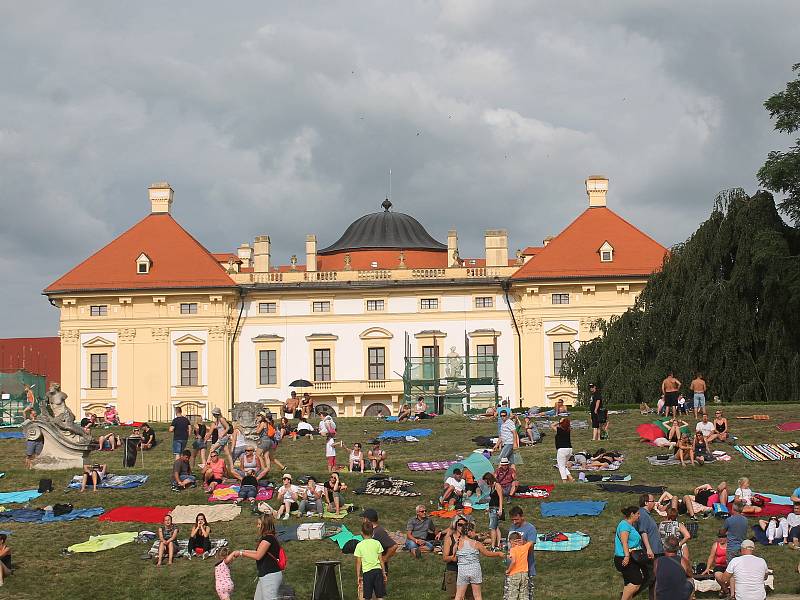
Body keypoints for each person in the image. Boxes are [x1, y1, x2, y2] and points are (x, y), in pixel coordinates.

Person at [227, 514, 284, 599]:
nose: (257, 526)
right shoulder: (267, 538)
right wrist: (242, 551)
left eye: (259, 524)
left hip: (270, 576)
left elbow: (258, 556)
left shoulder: (268, 539)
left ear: (265, 526)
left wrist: (241, 553)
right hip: (265, 575)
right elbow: (258, 552)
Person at [445, 519, 503, 600]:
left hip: (462, 571)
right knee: (477, 596)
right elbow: (487, 553)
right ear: (469, 532)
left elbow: (454, 558)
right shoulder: (476, 544)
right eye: (474, 531)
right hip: (475, 570)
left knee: (459, 596)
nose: (475, 533)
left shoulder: (457, 543)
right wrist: (498, 553)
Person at [614, 506, 646, 600]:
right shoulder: (624, 525)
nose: (639, 516)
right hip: (624, 558)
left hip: (631, 558)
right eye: (638, 514)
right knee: (636, 582)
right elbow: (624, 542)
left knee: (629, 583)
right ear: (632, 514)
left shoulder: (629, 525)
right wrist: (627, 556)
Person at [637, 493, 664, 600]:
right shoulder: (643, 515)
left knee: (655, 578)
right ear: (646, 502)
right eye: (653, 501)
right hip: (652, 551)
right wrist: (648, 549)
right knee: (651, 577)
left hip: (656, 550)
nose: (655, 503)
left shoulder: (647, 514)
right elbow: (643, 532)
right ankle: (629, 594)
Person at [442, 514, 476, 600]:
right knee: (455, 597)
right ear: (456, 525)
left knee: (470, 597)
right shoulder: (449, 538)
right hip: (453, 571)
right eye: (459, 525)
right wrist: (454, 558)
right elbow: (445, 558)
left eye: (464, 525)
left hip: (467, 571)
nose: (461, 527)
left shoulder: (469, 539)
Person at [507, 506, 537, 598]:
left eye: (516, 519)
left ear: (522, 516)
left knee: (525, 595)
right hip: (512, 569)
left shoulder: (530, 529)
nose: (514, 522)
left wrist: (524, 543)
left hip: (526, 568)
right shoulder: (512, 527)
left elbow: (531, 546)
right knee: (511, 594)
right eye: (512, 520)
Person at [361, 509, 398, 578]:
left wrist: (385, 558)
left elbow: (394, 546)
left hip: (379, 568)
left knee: (379, 587)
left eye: (363, 518)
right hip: (371, 565)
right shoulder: (371, 530)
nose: (363, 520)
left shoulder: (379, 532)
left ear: (367, 520)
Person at [355, 521, 387, 600]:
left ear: (361, 532)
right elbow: (381, 560)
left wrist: (358, 576)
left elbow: (358, 562)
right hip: (378, 572)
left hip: (367, 573)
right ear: (373, 532)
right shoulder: (377, 543)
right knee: (380, 596)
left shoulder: (359, 545)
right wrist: (384, 573)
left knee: (368, 597)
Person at [653, 536, 692, 600]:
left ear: (664, 547)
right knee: (691, 581)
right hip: (679, 596)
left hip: (662, 596)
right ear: (677, 548)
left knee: (657, 581)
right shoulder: (682, 561)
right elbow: (690, 574)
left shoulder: (657, 561)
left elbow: (656, 576)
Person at [700, 529, 731, 597]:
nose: (721, 539)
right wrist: (707, 568)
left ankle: (723, 590)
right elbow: (711, 556)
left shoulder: (730, 545)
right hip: (719, 565)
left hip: (728, 565)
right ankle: (726, 591)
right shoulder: (716, 545)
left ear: (726, 537)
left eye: (723, 537)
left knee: (733, 577)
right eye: (719, 537)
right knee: (717, 576)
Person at [505, 531, 532, 600]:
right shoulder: (525, 547)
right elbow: (531, 542)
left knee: (512, 594)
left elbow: (513, 561)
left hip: (514, 574)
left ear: (512, 541)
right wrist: (523, 541)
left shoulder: (513, 550)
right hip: (524, 574)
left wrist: (508, 570)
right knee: (524, 594)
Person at [483, 472, 504, 551]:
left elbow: (500, 497)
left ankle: (493, 546)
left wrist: (500, 509)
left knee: (492, 527)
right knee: (496, 527)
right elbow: (492, 499)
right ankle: (498, 544)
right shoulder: (491, 487)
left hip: (496, 509)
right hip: (492, 508)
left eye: (486, 481)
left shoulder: (497, 486)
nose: (486, 483)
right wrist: (488, 508)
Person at [551, 418, 574, 482]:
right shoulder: (568, 430)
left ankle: (564, 480)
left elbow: (552, 425)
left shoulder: (559, 429)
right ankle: (570, 477)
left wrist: (559, 422)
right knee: (563, 465)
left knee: (560, 466)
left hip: (562, 449)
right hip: (569, 449)